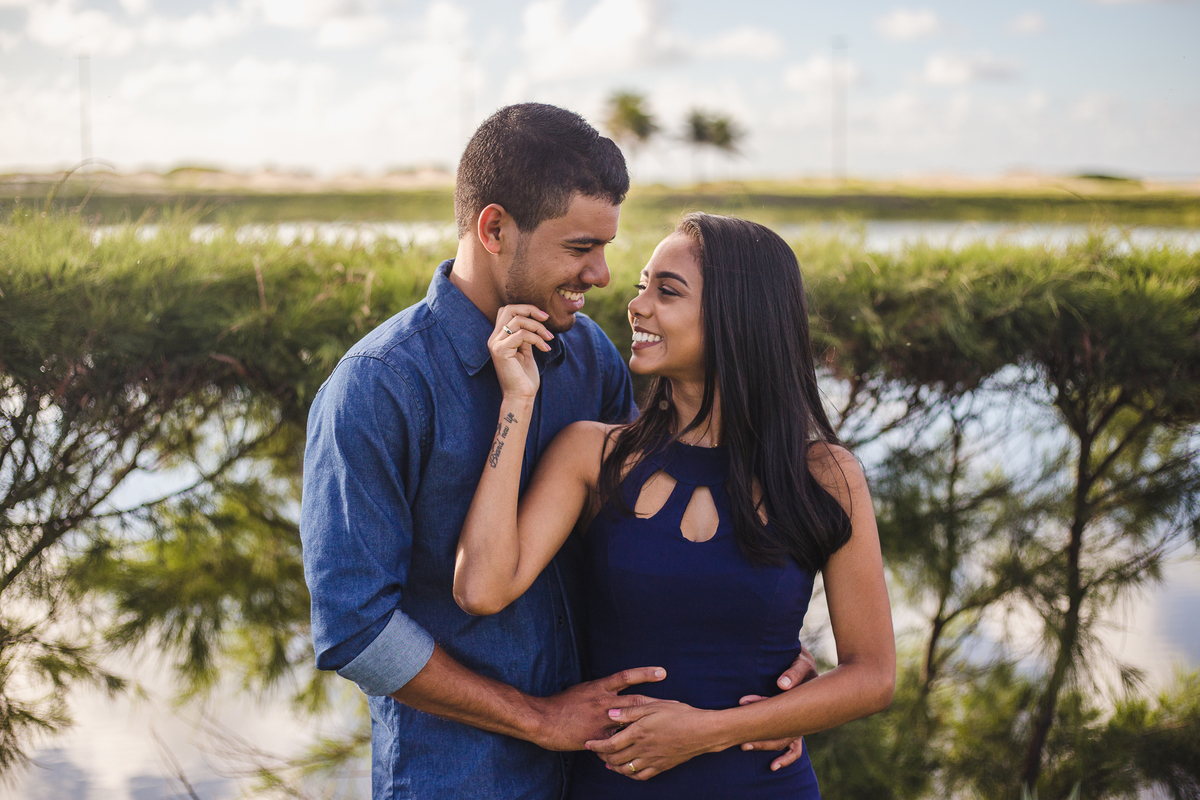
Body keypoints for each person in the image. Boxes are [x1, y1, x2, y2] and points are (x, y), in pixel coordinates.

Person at [300, 105, 814, 800]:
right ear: (494, 229)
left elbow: (660, 527)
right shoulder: (377, 388)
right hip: (463, 780)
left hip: (610, 770)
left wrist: (764, 670)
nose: (602, 275)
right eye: (579, 248)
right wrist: (537, 719)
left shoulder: (587, 355)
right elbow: (355, 629)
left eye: (605, 247)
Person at [454, 213, 896, 798]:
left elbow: (873, 675)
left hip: (762, 786)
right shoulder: (592, 454)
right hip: (617, 783)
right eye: (642, 286)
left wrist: (709, 732)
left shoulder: (825, 475)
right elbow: (481, 588)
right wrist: (517, 398)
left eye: (667, 291)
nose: (636, 306)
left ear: (738, 319)